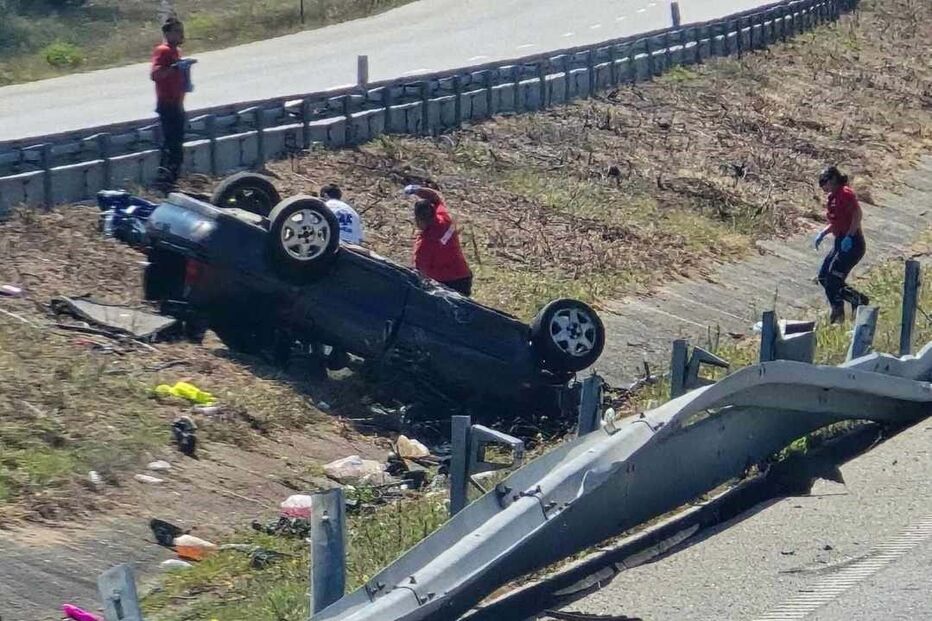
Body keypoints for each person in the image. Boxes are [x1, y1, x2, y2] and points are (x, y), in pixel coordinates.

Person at [813, 165, 869, 324]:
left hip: (852, 243)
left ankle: (844, 311)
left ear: (833, 179)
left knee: (833, 279)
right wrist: (823, 233)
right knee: (824, 277)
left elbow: (857, 215)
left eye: (824, 181)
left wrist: (850, 236)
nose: (822, 186)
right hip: (841, 241)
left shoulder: (845, 193)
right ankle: (848, 304)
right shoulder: (833, 197)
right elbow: (838, 222)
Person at [405, 184, 473, 296]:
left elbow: (420, 274)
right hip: (463, 276)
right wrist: (417, 190)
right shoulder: (445, 219)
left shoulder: (425, 244)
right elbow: (435, 197)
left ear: (418, 220)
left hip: (445, 285)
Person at [151, 18, 188, 186]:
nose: (182, 35)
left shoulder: (176, 51)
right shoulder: (163, 51)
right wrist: (174, 67)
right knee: (171, 144)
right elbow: (155, 74)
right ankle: (165, 178)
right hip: (167, 104)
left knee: (177, 143)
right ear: (168, 34)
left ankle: (173, 178)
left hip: (177, 102)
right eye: (177, 31)